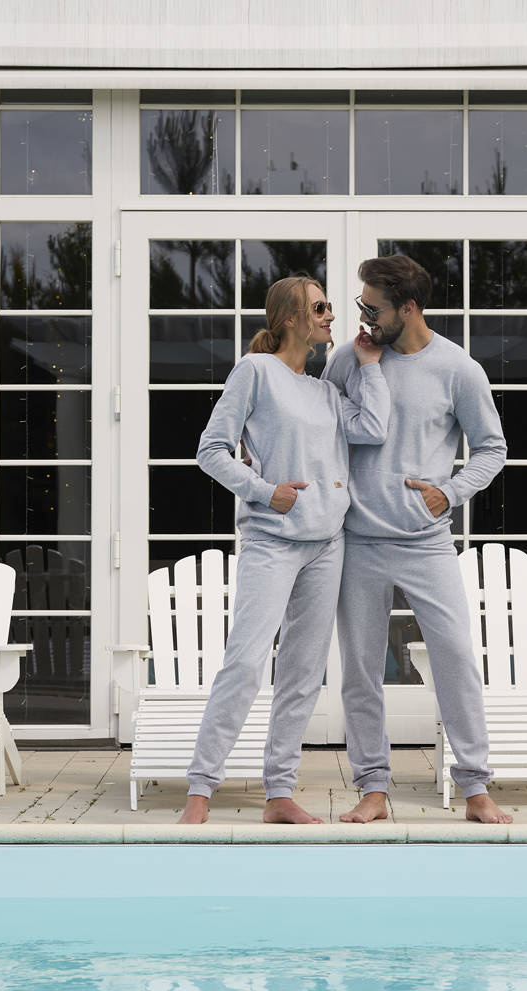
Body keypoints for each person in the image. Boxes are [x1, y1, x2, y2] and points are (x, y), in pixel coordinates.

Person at [179, 276, 390, 825]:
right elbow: (210, 450)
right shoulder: (255, 372)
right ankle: (200, 791)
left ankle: (279, 793)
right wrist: (264, 490)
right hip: (272, 541)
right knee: (246, 663)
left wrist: (369, 365)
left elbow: (373, 427)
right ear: (291, 318)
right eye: (319, 308)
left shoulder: (325, 392)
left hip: (327, 543)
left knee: (302, 672)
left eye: (329, 307)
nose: (330, 315)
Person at [322, 254, 513, 825]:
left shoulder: (458, 369)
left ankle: (475, 787)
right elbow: (318, 428)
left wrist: (449, 494)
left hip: (427, 542)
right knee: (361, 671)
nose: (363, 318)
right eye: (361, 306)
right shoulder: (348, 360)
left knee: (455, 659)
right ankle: (373, 788)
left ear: (408, 308)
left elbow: (492, 448)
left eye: (373, 308)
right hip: (358, 541)